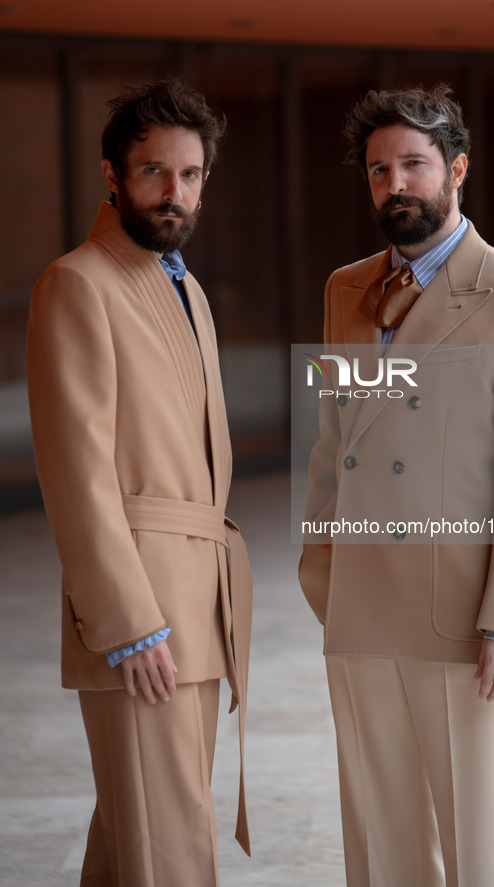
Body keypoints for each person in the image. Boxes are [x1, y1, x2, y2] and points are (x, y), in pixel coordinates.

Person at [299, 84, 494, 887]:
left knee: (486, 846)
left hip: (465, 621)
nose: (395, 185)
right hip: (357, 608)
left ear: (456, 170)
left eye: (414, 165)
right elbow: (330, 443)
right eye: (379, 170)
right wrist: (321, 566)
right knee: (380, 846)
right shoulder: (344, 288)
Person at [27, 78, 252, 887]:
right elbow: (74, 468)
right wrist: (127, 622)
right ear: (112, 175)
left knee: (137, 839)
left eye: (190, 175)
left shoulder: (183, 287)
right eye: (155, 171)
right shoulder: (77, 283)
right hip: (143, 614)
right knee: (167, 844)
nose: (175, 192)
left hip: (199, 598)